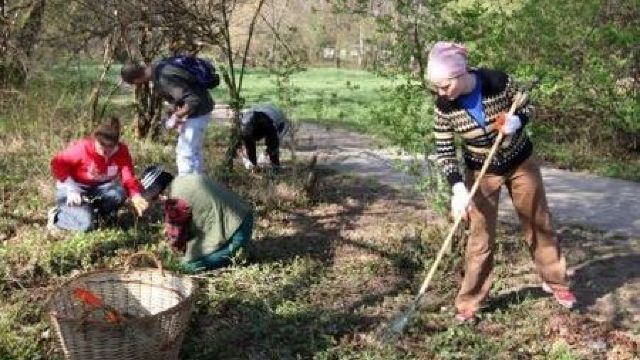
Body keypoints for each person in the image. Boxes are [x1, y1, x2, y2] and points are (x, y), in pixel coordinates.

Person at [425, 41, 576, 323]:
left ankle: (557, 283)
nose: (441, 92)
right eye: (437, 88)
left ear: (460, 74)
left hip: (520, 162)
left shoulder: (498, 81)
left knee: (538, 222)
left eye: (445, 85)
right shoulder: (444, 106)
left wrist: (518, 120)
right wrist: (458, 189)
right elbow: (445, 150)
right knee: (480, 237)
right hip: (481, 173)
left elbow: (529, 106)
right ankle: (470, 303)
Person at [140, 165, 254, 272]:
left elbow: (177, 240)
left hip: (237, 231)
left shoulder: (174, 200)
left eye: (155, 198)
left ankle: (236, 253)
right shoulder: (184, 180)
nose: (157, 202)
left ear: (160, 194)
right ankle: (236, 250)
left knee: (186, 266)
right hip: (243, 216)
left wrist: (170, 249)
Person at [48, 117, 148, 232]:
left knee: (119, 192)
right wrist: (72, 189)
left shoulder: (122, 152)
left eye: (109, 149)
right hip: (72, 188)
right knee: (86, 225)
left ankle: (96, 214)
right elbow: (57, 163)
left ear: (116, 144)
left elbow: (128, 176)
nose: (104, 154)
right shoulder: (83, 148)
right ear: (95, 141)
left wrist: (135, 195)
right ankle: (57, 216)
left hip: (98, 188)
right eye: (101, 148)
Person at [120, 56, 215, 175]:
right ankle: (198, 185)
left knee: (185, 154)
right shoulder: (158, 65)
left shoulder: (163, 77)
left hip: (198, 112)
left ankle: (186, 188)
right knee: (194, 152)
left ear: (137, 80)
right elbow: (181, 92)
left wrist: (176, 117)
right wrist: (175, 111)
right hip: (201, 108)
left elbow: (193, 101)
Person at [239, 104, 290, 171]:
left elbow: (275, 143)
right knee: (247, 137)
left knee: (273, 143)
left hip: (271, 117)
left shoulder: (277, 125)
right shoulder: (245, 122)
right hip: (257, 114)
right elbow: (240, 143)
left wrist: (265, 154)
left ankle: (275, 167)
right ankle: (253, 163)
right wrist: (248, 161)